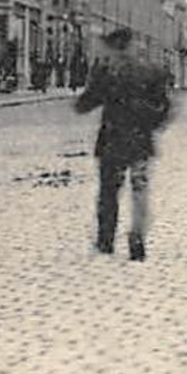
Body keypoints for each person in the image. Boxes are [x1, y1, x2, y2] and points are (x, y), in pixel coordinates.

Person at [74, 27, 172, 261]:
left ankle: (105, 240)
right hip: (140, 141)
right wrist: (150, 123)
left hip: (112, 141)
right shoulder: (151, 71)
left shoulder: (106, 70)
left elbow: (86, 104)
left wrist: (87, 92)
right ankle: (137, 239)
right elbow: (165, 107)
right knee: (139, 191)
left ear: (114, 46)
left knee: (109, 191)